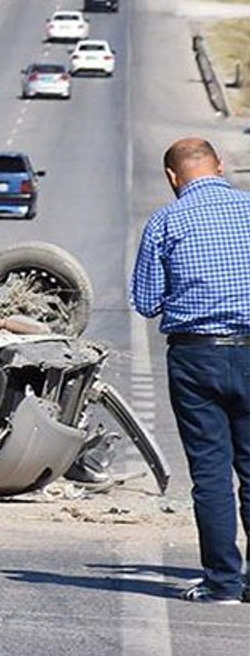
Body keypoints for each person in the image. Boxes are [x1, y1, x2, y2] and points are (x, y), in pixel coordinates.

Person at [130, 137, 250, 604]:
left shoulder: (165, 221)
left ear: (172, 178)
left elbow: (145, 301)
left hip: (195, 358)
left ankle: (222, 582)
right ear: (219, 166)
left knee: (211, 473)